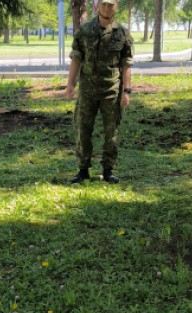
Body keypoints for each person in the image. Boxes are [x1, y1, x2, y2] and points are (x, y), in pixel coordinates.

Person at [66, 0, 134, 184]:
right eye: (104, 4)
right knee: (83, 130)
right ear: (97, 6)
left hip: (111, 90)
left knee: (111, 132)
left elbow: (126, 64)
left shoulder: (122, 33)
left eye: (110, 5)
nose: (107, 8)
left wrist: (127, 90)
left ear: (116, 6)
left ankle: (108, 170)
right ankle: (82, 170)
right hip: (87, 90)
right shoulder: (84, 30)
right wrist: (70, 84)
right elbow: (76, 58)